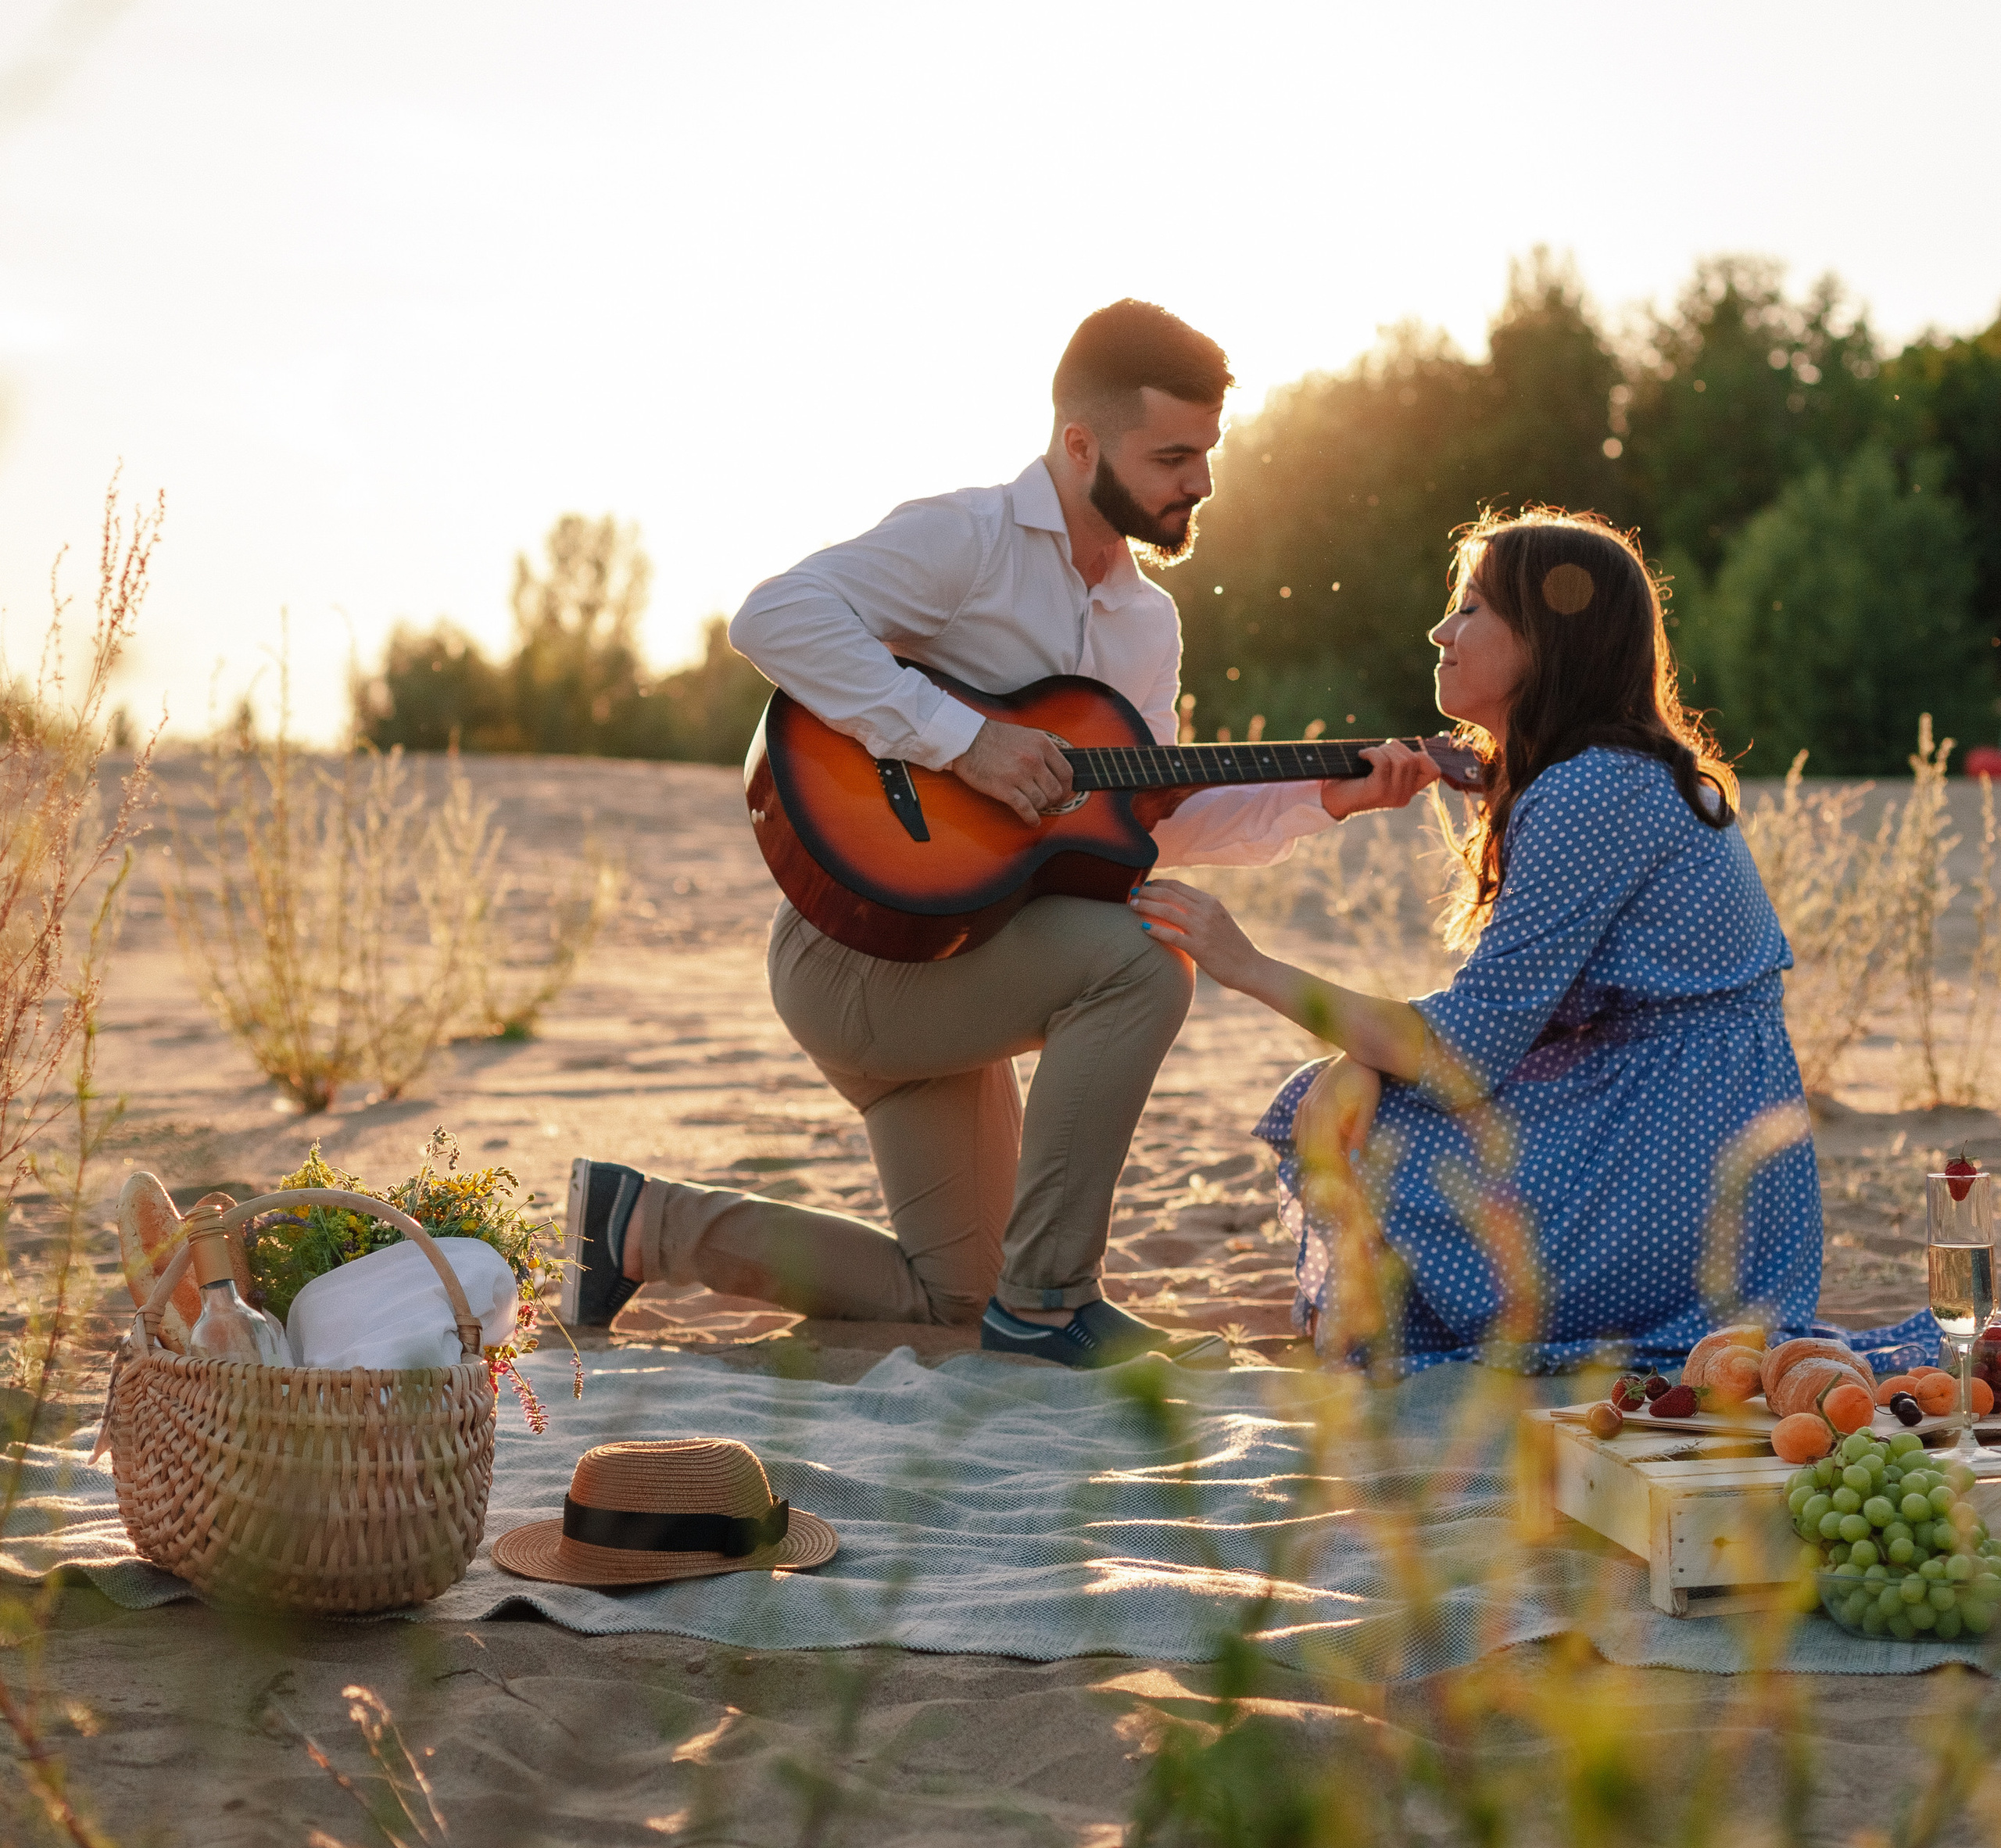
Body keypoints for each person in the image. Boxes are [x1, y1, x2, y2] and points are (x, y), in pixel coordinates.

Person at [561, 299, 1437, 1368]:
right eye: (1172, 456)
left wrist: (1324, 797)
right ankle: (1057, 1300)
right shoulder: (966, 541)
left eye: (1207, 454)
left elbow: (1144, 823)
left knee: (951, 1298)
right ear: (1080, 444)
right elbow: (773, 618)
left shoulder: (1144, 623)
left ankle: (641, 1224)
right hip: (852, 953)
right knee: (1142, 966)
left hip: (959, 965)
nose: (1199, 482)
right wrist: (960, 740)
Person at [1129, 508, 1822, 1371]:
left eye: (1470, 608)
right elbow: (1495, 1017)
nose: (1439, 630)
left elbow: (1462, 1052)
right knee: (1356, 1088)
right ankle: (1406, 1333)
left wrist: (1247, 965)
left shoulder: (1590, 792)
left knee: (1367, 1122)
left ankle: (1423, 1339)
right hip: (1692, 1138)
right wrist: (1364, 1057)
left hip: (1675, 1173)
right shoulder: (1606, 775)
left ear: (1546, 641)